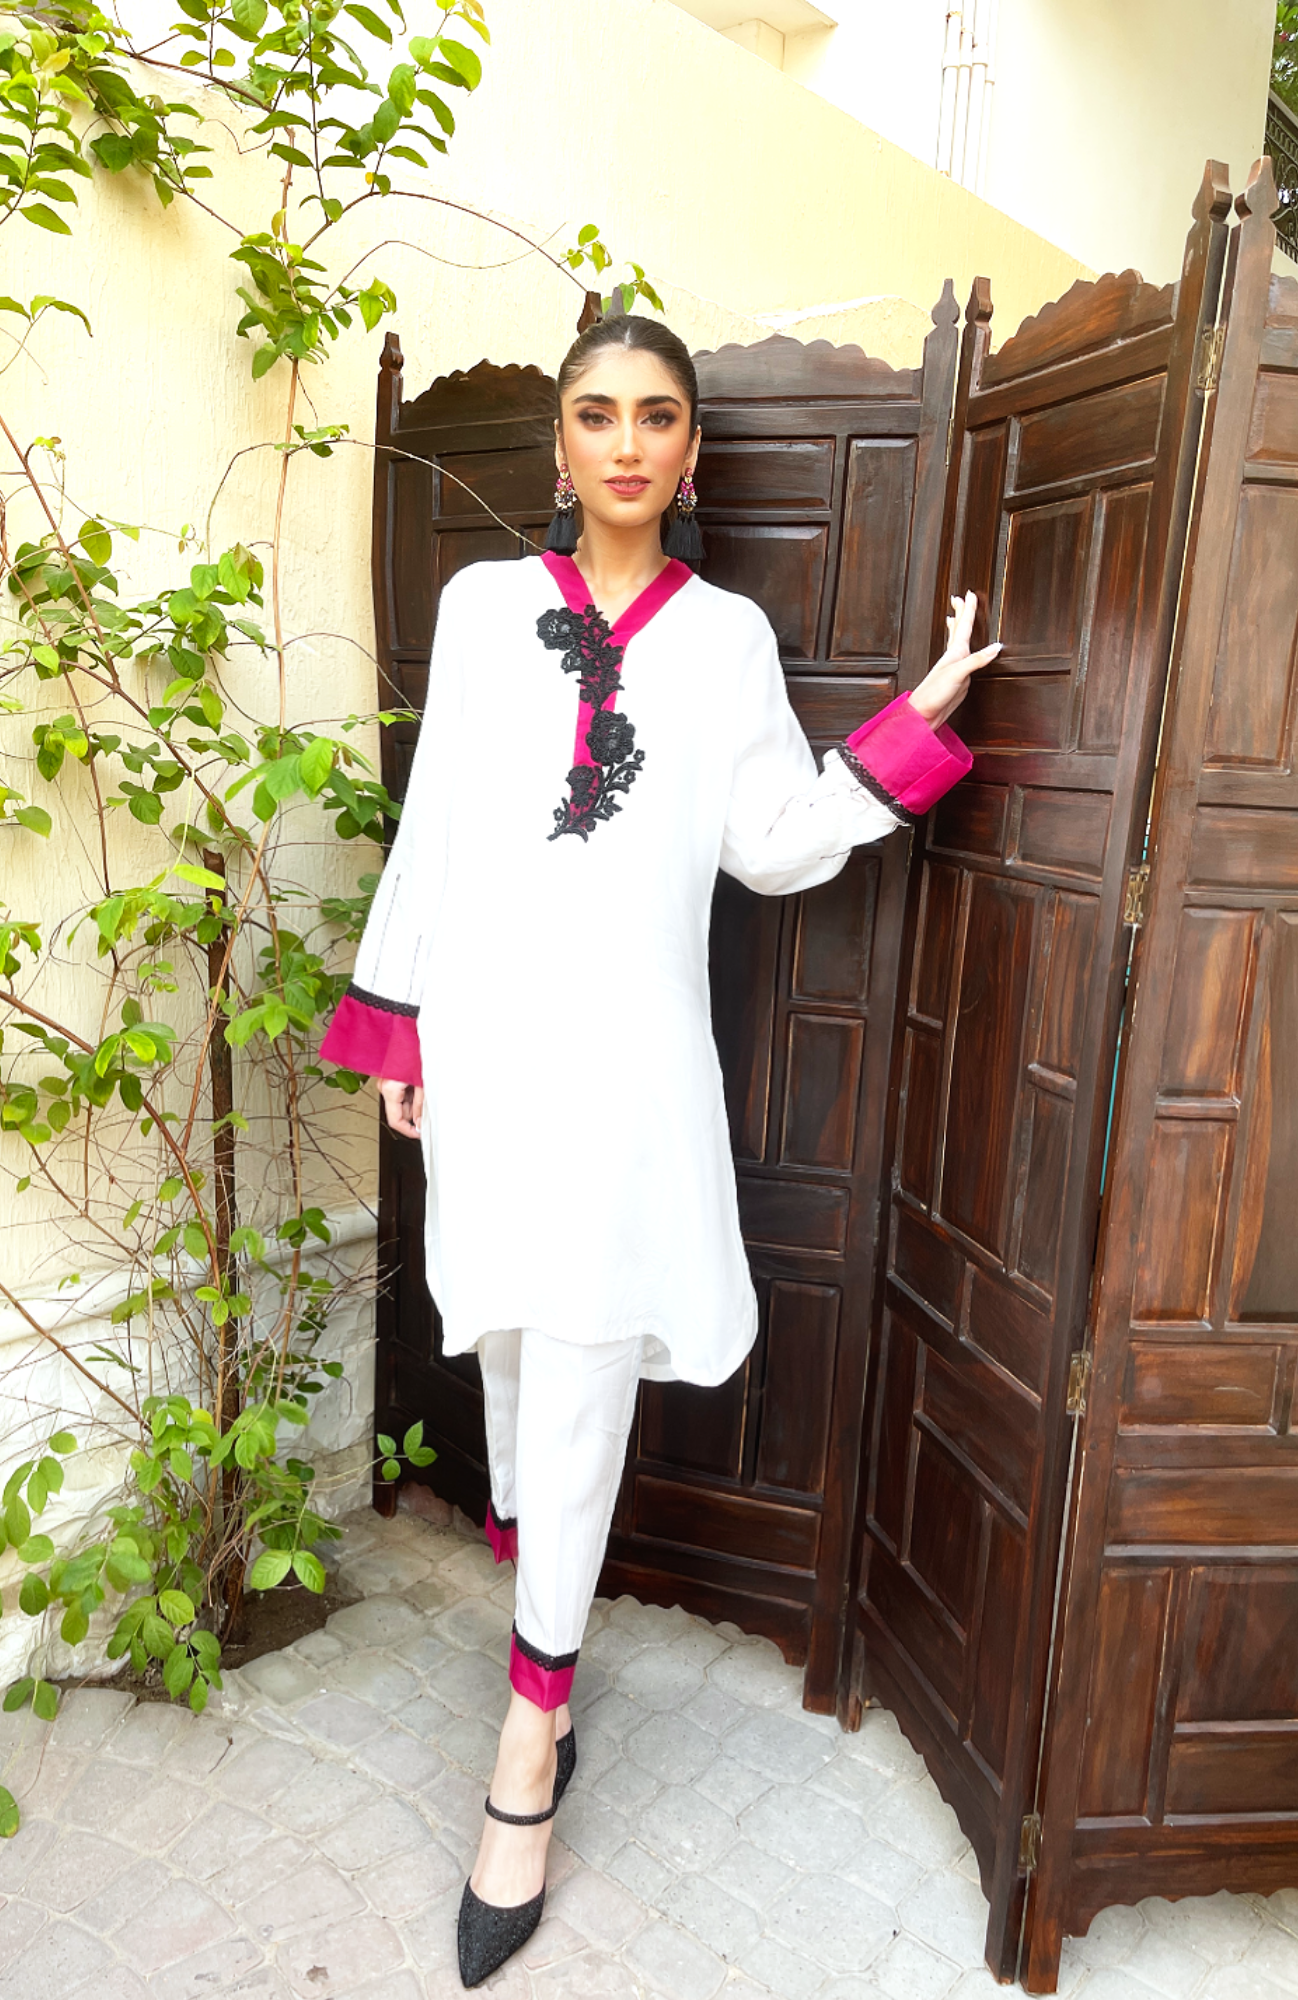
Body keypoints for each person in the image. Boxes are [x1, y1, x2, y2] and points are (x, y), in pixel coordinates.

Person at [320, 314, 998, 1986]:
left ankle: (527, 1740)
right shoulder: (483, 609)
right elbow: (438, 824)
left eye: (657, 418)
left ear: (691, 452)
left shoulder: (725, 639)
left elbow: (766, 841)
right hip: (490, 1055)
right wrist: (399, 1023)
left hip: (630, 1079)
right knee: (507, 1347)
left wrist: (916, 720)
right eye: (596, 414)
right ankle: (541, 1643)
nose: (625, 443)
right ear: (559, 444)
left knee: (583, 1366)